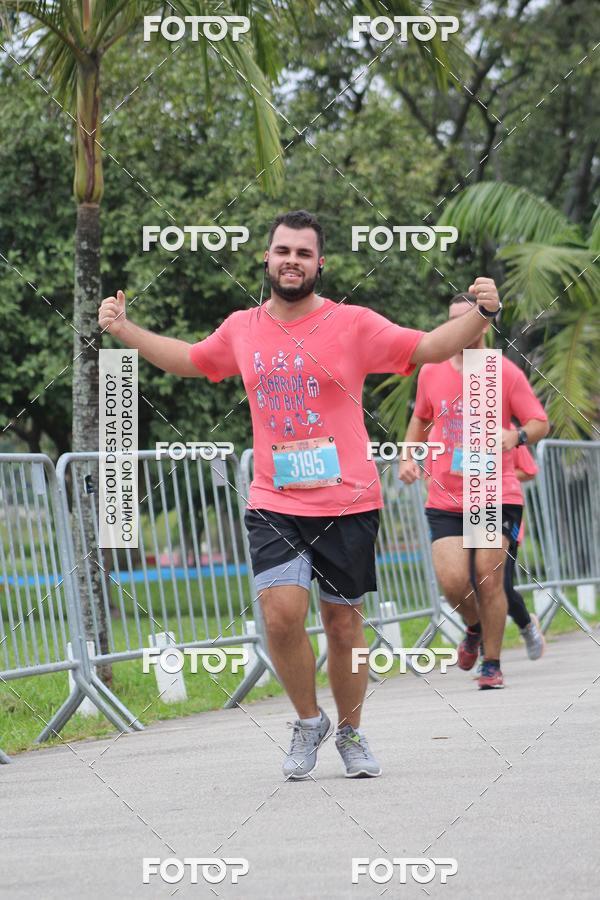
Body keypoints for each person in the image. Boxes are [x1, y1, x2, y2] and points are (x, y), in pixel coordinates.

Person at [99, 211, 502, 777]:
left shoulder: (354, 323)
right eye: (282, 250)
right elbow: (189, 360)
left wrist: (482, 315)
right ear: (265, 258)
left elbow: (432, 346)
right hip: (274, 499)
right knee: (281, 614)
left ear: (320, 264)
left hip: (348, 503)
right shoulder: (243, 327)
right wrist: (124, 330)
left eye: (304, 253)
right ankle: (308, 721)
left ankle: (351, 731)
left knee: (343, 625)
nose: (292, 260)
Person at [399, 292, 549, 690]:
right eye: (450, 319)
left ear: (484, 323)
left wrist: (514, 436)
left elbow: (539, 422)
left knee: (488, 576)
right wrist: (409, 458)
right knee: (452, 581)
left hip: (493, 492)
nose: (455, 327)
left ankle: (492, 664)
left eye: (463, 319)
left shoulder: (503, 371)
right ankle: (474, 627)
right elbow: (419, 419)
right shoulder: (431, 370)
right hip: (446, 497)